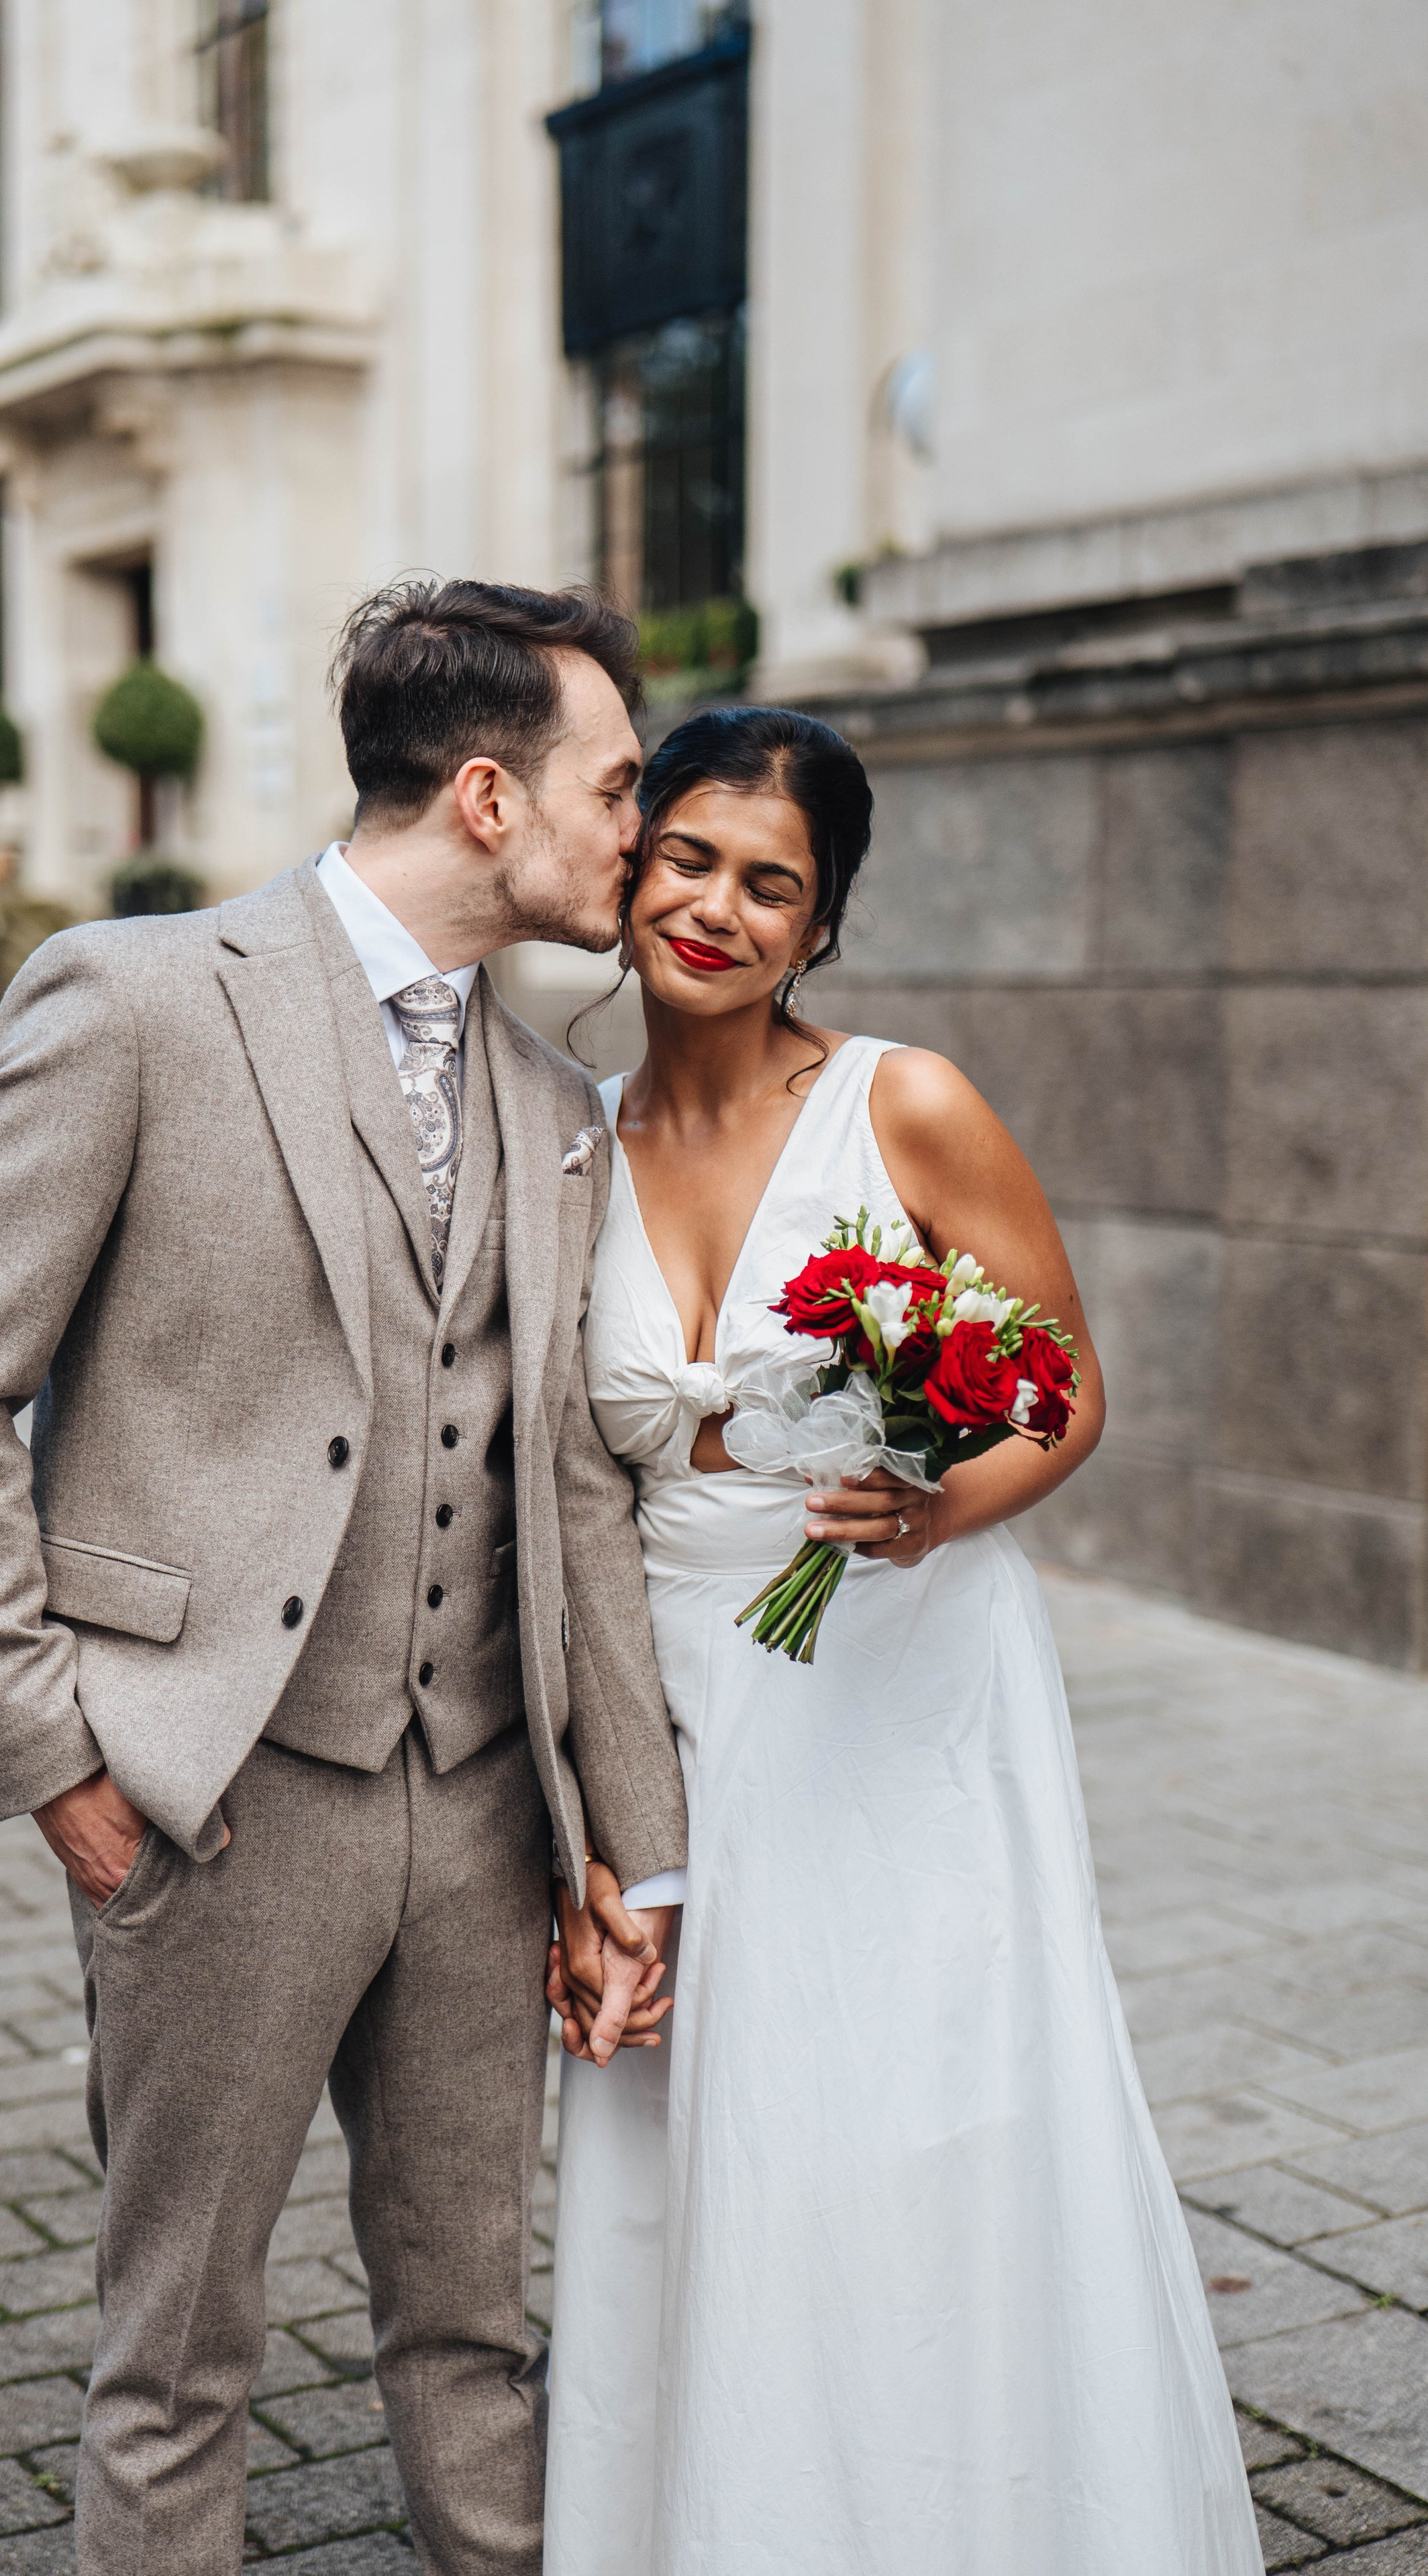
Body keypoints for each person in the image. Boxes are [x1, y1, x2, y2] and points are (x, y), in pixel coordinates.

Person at [0, 578, 689, 2576]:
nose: (639, 834)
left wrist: (632, 1851)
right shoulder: (138, 998)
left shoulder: (561, 1102)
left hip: (488, 1811)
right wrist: (58, 1757)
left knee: (479, 2332)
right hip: (211, 1799)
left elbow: (570, 1493)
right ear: (487, 797)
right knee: (179, 2359)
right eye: (615, 787)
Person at [542, 706, 1263, 2576]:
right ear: (630, 864)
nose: (716, 907)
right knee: (700, 2120)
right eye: (688, 857)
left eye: (770, 883)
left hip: (903, 1673)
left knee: (917, 2093)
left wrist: (936, 1502)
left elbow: (1063, 1389)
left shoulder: (905, 1101)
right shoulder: (558, 1136)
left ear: (822, 923)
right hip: (680, 1682)